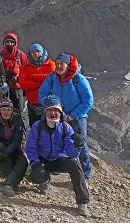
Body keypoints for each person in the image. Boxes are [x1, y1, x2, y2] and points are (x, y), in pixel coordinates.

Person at [26, 95, 90, 217]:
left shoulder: (66, 127)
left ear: (60, 112)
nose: (53, 113)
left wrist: (77, 146)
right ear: (45, 112)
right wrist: (35, 163)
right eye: (50, 110)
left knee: (75, 164)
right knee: (35, 176)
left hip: (59, 160)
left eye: (56, 110)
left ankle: (83, 202)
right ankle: (44, 180)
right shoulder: (37, 126)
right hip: (43, 161)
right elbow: (31, 147)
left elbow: (72, 154)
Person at [38, 53, 94, 182]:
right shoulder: (52, 78)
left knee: (81, 145)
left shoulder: (78, 79)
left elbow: (88, 101)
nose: (58, 66)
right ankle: (55, 169)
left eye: (61, 63)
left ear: (68, 65)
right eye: (56, 63)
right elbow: (42, 93)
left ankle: (84, 176)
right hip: (57, 117)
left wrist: (72, 115)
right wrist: (50, 106)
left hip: (77, 119)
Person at [0, 99, 27, 197]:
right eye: (3, 110)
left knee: (23, 161)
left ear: (12, 111)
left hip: (14, 149)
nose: (6, 112)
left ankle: (9, 184)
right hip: (1, 149)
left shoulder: (18, 120)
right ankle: (11, 183)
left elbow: (17, 139)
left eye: (8, 110)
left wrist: (7, 151)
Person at [19, 44, 56, 128]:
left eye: (38, 51)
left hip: (48, 103)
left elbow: (52, 79)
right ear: (30, 53)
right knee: (34, 128)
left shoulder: (51, 64)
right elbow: (23, 84)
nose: (35, 53)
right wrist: (42, 83)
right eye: (33, 52)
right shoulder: (25, 67)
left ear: (42, 52)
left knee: (50, 127)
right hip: (32, 102)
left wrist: (33, 77)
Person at [0, 33, 29, 131]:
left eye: (11, 42)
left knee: (18, 111)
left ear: (15, 43)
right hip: (4, 87)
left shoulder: (20, 55)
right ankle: (6, 132)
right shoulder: (0, 55)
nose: (9, 43)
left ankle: (21, 132)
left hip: (17, 86)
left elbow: (26, 69)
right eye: (7, 41)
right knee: (4, 110)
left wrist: (20, 79)